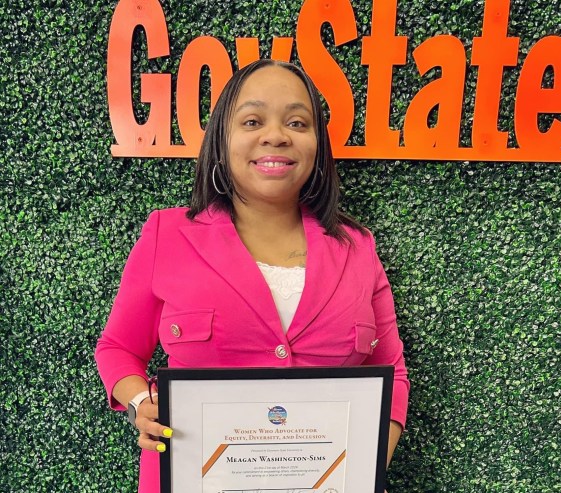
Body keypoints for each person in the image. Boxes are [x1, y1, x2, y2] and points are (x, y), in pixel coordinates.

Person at [95, 59, 409, 492]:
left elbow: (390, 374)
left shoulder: (358, 248)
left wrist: (361, 474)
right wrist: (139, 404)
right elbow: (117, 348)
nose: (276, 135)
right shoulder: (167, 235)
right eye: (253, 120)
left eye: (297, 122)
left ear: (317, 144)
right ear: (223, 139)